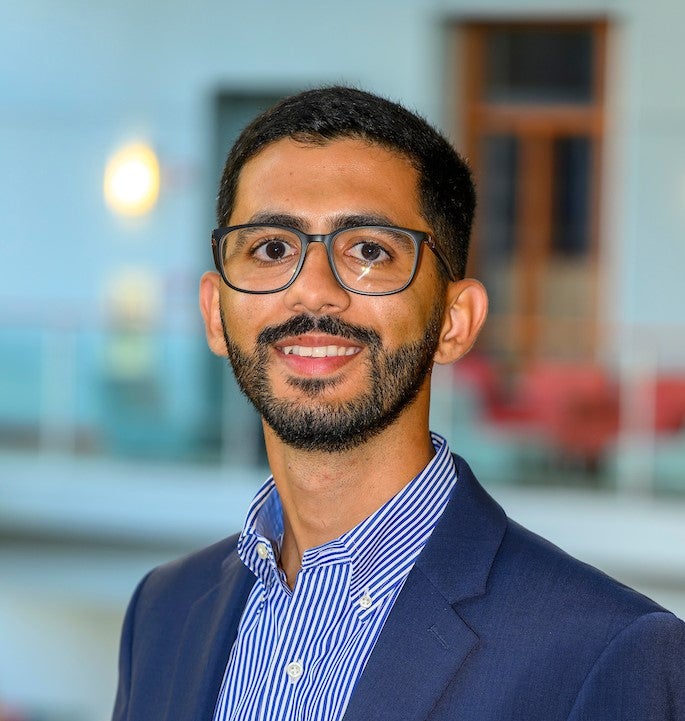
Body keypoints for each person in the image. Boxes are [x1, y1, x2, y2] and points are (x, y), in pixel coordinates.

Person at [111, 86, 684, 721]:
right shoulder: (162, 613)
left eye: (370, 252)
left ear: (455, 321)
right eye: (272, 248)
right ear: (215, 313)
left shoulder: (607, 654)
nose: (314, 294)